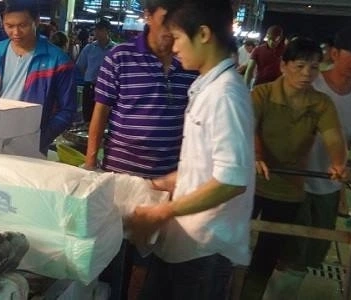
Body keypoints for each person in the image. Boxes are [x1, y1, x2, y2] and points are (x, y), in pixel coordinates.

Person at [127, 0, 255, 298]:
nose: (174, 48)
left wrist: (162, 211)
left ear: (204, 34)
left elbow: (231, 181)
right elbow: (203, 166)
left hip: (206, 247)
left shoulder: (225, 95)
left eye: (179, 38)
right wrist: (158, 184)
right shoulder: (207, 87)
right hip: (186, 241)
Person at [84, 0, 197, 298]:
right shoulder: (120, 57)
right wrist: (90, 162)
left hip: (167, 176)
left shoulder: (189, 63)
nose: (173, 27)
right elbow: (100, 113)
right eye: (167, 17)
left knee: (152, 254)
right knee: (113, 247)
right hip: (120, 173)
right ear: (147, 16)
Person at [263, 27, 351, 299]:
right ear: (335, 53)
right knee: (290, 251)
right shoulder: (311, 84)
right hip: (292, 180)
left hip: (329, 186)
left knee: (314, 250)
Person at [239, 37, 349, 300]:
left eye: (313, 68)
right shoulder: (261, 94)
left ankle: (251, 295)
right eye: (299, 66)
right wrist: (256, 155)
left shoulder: (321, 103)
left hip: (289, 188)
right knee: (235, 241)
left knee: (269, 251)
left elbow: (333, 136)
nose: (306, 74)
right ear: (283, 65)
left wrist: (339, 163)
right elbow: (249, 128)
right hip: (252, 183)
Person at [0, 0, 76, 153]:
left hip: (30, 144)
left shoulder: (57, 61)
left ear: (36, 21)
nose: (15, 32)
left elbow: (67, 110)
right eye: (9, 26)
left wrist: (39, 138)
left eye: (23, 25)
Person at [75, 19, 115, 124]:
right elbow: (80, 65)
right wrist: (89, 76)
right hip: (90, 87)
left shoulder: (115, 49)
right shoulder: (89, 48)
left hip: (108, 89)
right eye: (96, 30)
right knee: (87, 116)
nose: (97, 32)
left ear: (108, 31)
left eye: (100, 30)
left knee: (105, 118)